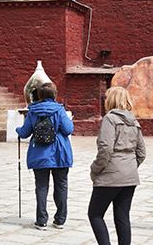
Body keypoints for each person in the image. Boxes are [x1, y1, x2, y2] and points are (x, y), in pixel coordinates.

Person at [88, 87, 146, 245]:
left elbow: (105, 148)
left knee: (95, 214)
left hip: (110, 175)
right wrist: (130, 167)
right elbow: (141, 152)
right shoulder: (134, 121)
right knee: (122, 217)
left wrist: (95, 169)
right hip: (130, 176)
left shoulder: (110, 119)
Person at [16, 82, 74, 231]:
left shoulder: (33, 111)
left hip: (40, 154)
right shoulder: (59, 110)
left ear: (40, 95)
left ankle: (41, 220)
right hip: (60, 154)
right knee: (61, 185)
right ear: (55, 94)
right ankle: (60, 219)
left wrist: (17, 129)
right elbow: (68, 129)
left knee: (41, 187)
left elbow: (24, 133)